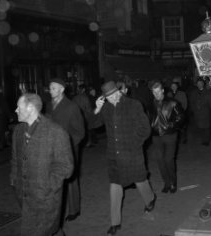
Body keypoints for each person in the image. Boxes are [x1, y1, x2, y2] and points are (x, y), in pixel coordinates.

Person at [94, 81, 156, 236]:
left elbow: (145, 129)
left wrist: (133, 144)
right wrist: (97, 108)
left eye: (115, 95)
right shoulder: (106, 107)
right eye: (109, 97)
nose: (113, 99)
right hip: (114, 155)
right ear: (104, 98)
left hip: (132, 153)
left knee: (140, 180)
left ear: (119, 92)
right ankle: (115, 222)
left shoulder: (134, 105)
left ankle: (150, 199)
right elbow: (94, 124)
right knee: (115, 186)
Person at [10, 93, 74, 236]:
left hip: (46, 199)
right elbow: (15, 160)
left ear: (31, 108)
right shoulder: (18, 131)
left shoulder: (56, 132)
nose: (15, 110)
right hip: (24, 197)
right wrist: (14, 181)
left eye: (18, 107)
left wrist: (47, 187)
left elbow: (66, 167)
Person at [46, 78, 85, 222]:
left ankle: (74, 209)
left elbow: (80, 131)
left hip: (68, 148)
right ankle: (56, 210)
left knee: (70, 179)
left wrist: (67, 144)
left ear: (62, 89)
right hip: (51, 148)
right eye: (50, 88)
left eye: (54, 88)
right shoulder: (49, 105)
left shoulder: (72, 107)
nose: (51, 91)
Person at [149, 81, 184, 194]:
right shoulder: (151, 104)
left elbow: (181, 117)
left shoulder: (172, 102)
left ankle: (173, 183)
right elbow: (149, 118)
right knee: (160, 161)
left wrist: (171, 125)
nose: (157, 94)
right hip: (156, 136)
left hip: (170, 135)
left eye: (158, 92)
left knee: (168, 160)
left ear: (163, 90)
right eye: (154, 92)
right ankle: (167, 183)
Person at [188, 79, 211, 146]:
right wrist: (194, 110)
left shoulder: (207, 92)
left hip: (205, 113)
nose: (199, 84)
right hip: (197, 113)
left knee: (206, 127)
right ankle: (203, 139)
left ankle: (206, 140)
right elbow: (191, 102)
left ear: (203, 84)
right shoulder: (193, 92)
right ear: (196, 85)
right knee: (200, 127)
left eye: (200, 83)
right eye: (198, 83)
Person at [0, 86, 11, 151]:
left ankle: (2, 144)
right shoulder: (1, 97)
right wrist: (10, 116)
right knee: (2, 131)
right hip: (1, 117)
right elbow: (5, 108)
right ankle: (1, 145)